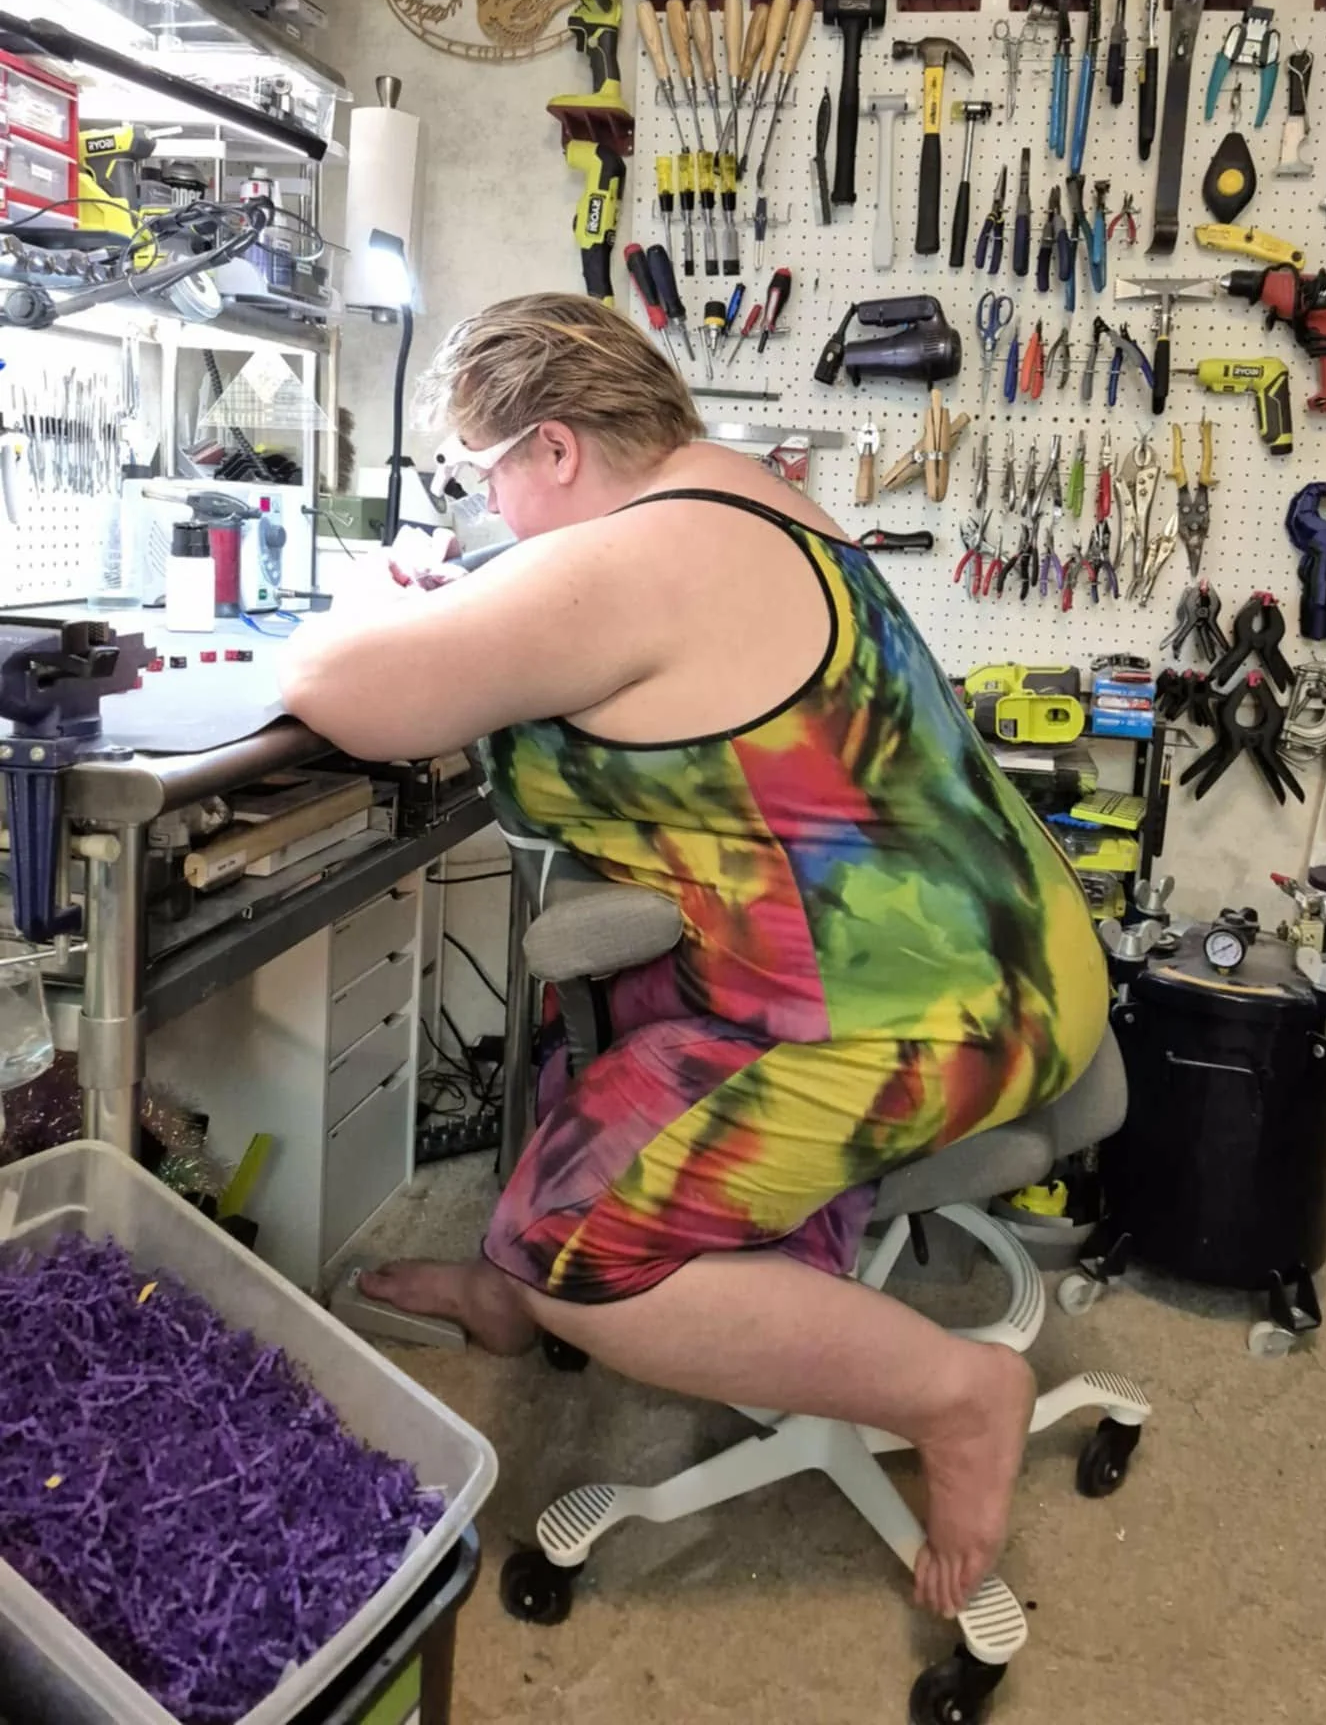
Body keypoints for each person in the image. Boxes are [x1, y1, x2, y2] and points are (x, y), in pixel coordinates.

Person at [280, 294, 1108, 1621]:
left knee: (580, 1249)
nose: (488, 511)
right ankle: (508, 1302)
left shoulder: (644, 552)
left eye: (485, 477)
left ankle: (956, 1396)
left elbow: (344, 690)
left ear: (554, 449)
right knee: (595, 1022)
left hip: (929, 1013)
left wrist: (371, 600)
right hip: (992, 948)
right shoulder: (740, 493)